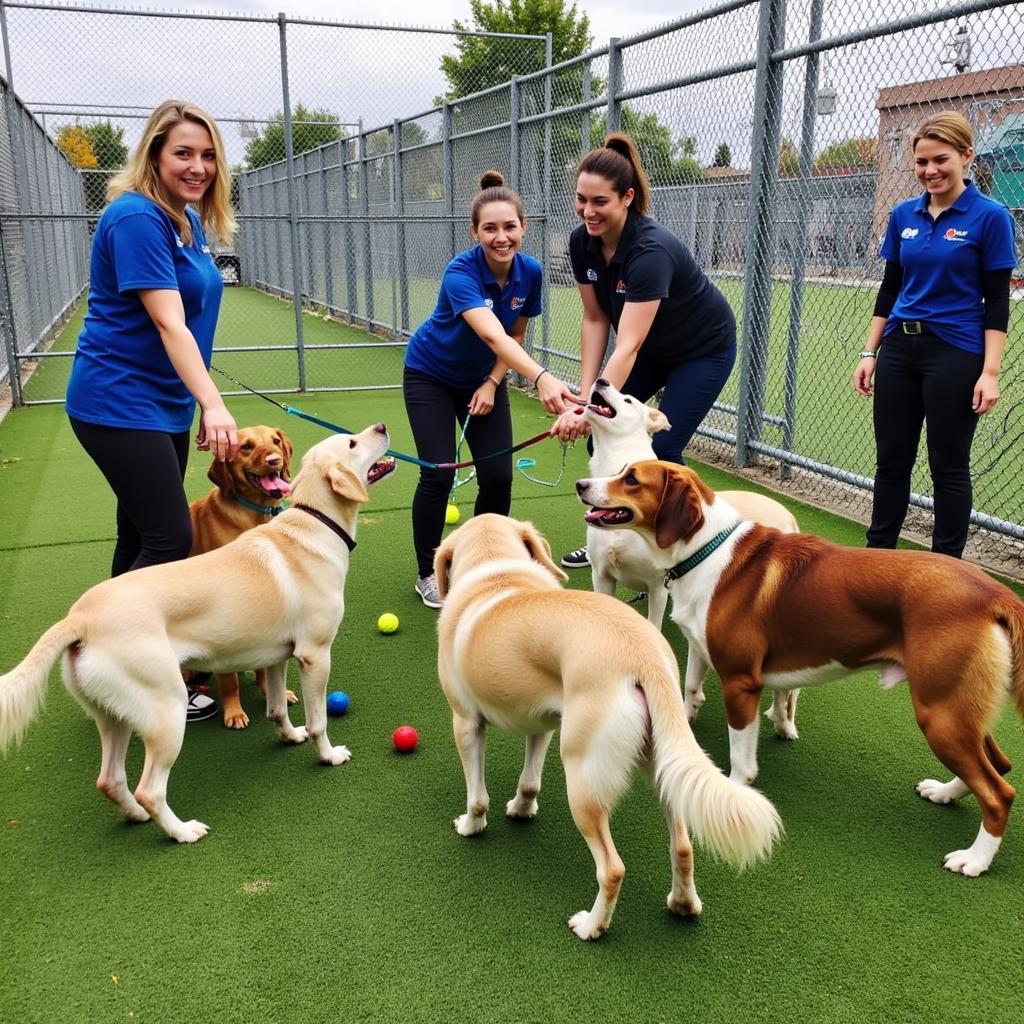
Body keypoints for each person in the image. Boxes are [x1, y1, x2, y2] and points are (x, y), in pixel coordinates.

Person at [65, 100, 238, 721]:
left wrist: (193, 403)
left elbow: (190, 320)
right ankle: (125, 667)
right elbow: (169, 321)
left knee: (139, 533)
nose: (198, 166)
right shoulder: (137, 216)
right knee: (168, 535)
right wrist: (213, 404)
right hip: (117, 401)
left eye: (208, 154)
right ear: (155, 156)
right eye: (183, 154)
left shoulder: (183, 220)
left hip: (159, 404)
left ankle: (103, 666)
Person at [551, 133, 738, 568]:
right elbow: (596, 319)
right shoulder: (583, 242)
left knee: (664, 451)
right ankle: (607, 535)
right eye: (581, 200)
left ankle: (680, 551)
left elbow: (628, 342)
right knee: (603, 436)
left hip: (702, 349)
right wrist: (586, 400)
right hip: (652, 348)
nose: (588, 211)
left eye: (600, 202)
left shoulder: (651, 250)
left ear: (627, 197)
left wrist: (589, 407)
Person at [403, 170, 578, 608]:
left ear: (524, 227)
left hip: (484, 380)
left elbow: (513, 337)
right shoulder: (459, 272)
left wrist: (492, 381)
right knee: (438, 472)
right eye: (490, 228)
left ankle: (486, 561)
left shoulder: (531, 272)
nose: (501, 237)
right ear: (475, 231)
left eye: (509, 227)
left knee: (497, 477)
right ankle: (428, 571)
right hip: (430, 375)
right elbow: (493, 336)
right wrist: (541, 377)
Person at [853, 111, 1016, 559]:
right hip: (900, 351)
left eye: (940, 159)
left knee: (948, 467)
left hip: (955, 354)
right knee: (891, 464)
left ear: (966, 155)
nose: (930, 171)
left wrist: (990, 372)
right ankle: (876, 559)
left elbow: (997, 302)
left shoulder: (991, 217)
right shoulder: (904, 213)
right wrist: (871, 351)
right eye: (921, 162)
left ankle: (946, 571)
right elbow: (890, 288)